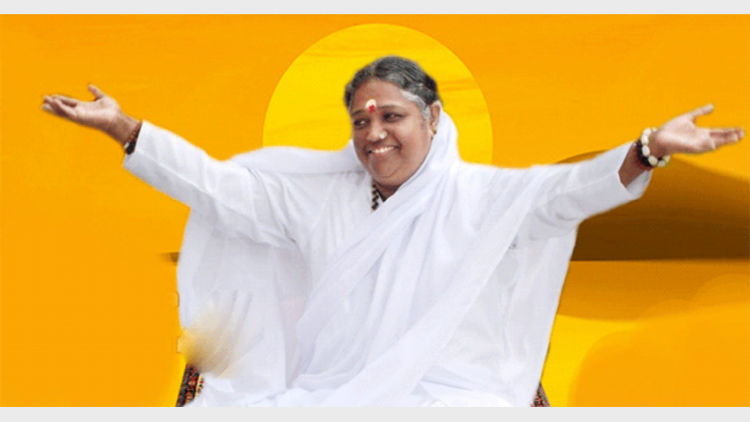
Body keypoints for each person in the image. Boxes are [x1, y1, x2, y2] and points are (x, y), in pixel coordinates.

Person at [41, 56, 743, 407]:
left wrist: (648, 149)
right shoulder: (320, 200)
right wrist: (126, 130)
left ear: (433, 120)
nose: (373, 133)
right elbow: (221, 189)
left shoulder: (485, 197)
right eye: (361, 121)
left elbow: (571, 190)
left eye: (392, 117)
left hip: (452, 400)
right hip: (331, 397)